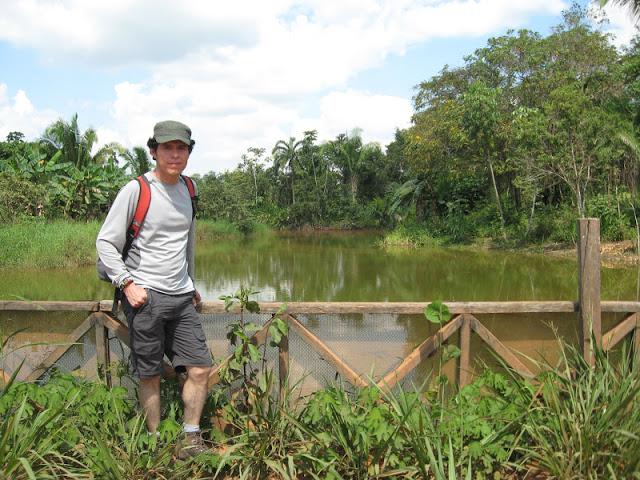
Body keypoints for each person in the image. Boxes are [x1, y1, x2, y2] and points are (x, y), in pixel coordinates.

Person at [96, 120, 212, 459]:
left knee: (200, 368)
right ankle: (155, 441)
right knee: (150, 374)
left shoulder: (189, 189)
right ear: (154, 151)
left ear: (189, 152)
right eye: (167, 147)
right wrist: (127, 283)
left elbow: (186, 243)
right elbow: (105, 241)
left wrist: (191, 282)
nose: (175, 154)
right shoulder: (137, 189)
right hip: (145, 297)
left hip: (181, 296)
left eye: (181, 148)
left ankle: (190, 438)